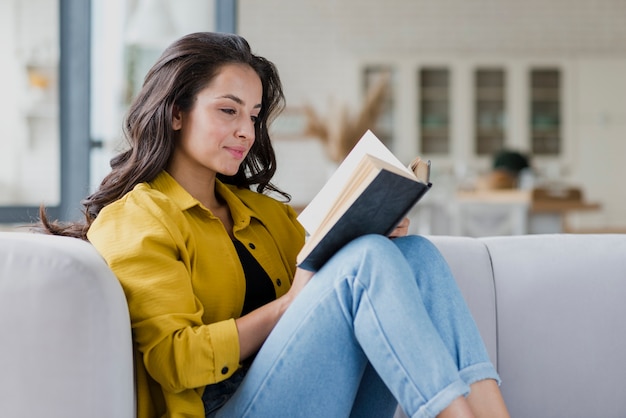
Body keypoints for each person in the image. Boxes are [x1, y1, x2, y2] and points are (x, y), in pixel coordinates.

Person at [40, 32, 509, 418]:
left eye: (254, 115)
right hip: (221, 409)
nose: (246, 130)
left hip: (313, 396)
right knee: (369, 260)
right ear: (176, 112)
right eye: (228, 110)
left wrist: (375, 225)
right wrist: (288, 306)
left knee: (414, 254)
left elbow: (337, 287)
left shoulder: (261, 213)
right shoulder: (137, 218)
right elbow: (176, 361)